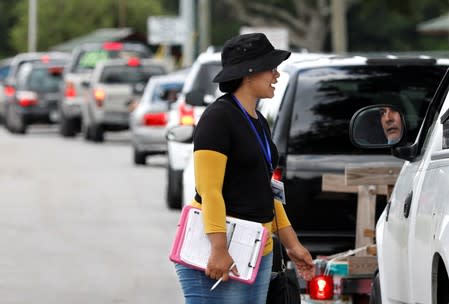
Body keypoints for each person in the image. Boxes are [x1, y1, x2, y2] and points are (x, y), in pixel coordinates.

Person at [174, 33, 315, 304]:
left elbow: (267, 193)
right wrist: (218, 248)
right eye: (270, 68)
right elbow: (210, 191)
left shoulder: (258, 121)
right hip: (218, 247)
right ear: (248, 73)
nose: (276, 74)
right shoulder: (217, 119)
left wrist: (292, 245)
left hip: (255, 248)